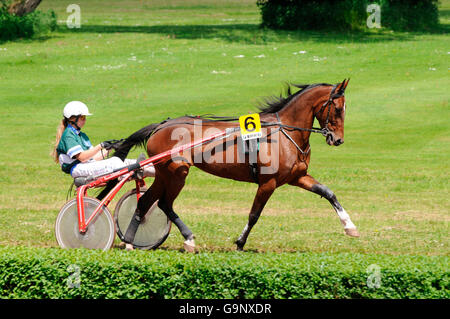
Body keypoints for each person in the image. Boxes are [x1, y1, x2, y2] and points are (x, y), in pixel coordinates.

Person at [51, 101, 155, 179]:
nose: (85, 120)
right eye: (82, 117)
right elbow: (82, 157)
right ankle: (134, 174)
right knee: (116, 162)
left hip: (87, 165)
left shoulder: (82, 136)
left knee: (127, 162)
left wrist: (110, 148)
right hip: (78, 169)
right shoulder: (68, 136)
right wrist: (100, 145)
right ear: (72, 119)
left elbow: (94, 158)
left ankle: (156, 170)